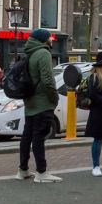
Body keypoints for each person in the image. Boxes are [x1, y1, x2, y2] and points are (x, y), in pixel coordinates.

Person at [17, 28, 61, 183]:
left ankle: (22, 170)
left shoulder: (29, 53)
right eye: (50, 38)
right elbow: (48, 79)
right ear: (44, 39)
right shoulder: (43, 53)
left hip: (30, 102)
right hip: (42, 103)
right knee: (39, 138)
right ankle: (41, 173)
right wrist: (54, 98)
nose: (52, 40)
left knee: (27, 137)